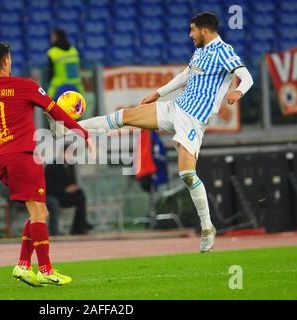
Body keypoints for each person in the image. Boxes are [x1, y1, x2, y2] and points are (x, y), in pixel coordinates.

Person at [49, 12, 254, 253]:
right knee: (125, 116)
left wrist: (239, 91)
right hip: (175, 107)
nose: (190, 34)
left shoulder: (223, 51)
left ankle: (208, 227)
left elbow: (246, 76)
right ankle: (68, 128)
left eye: (193, 30)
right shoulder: (200, 50)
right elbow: (186, 75)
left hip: (193, 119)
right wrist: (158, 93)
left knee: (187, 174)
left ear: (205, 31)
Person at [0, 42, 93, 287]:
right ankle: (45, 269)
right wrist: (82, 132)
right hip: (23, 155)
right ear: (7, 61)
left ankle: (22, 265)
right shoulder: (25, 86)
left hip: (2, 157)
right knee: (39, 213)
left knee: (39, 212)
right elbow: (56, 111)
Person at [45, 153, 92, 235]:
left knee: (80, 194)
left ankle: (78, 227)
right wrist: (65, 190)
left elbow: (73, 182)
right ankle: (78, 227)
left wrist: (74, 187)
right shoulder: (51, 167)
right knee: (54, 203)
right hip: (54, 195)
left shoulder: (70, 166)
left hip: (65, 196)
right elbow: (49, 188)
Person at [47, 28, 85, 100]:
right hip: (77, 87)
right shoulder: (74, 51)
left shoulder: (53, 52)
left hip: (58, 88)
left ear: (56, 37)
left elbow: (50, 73)